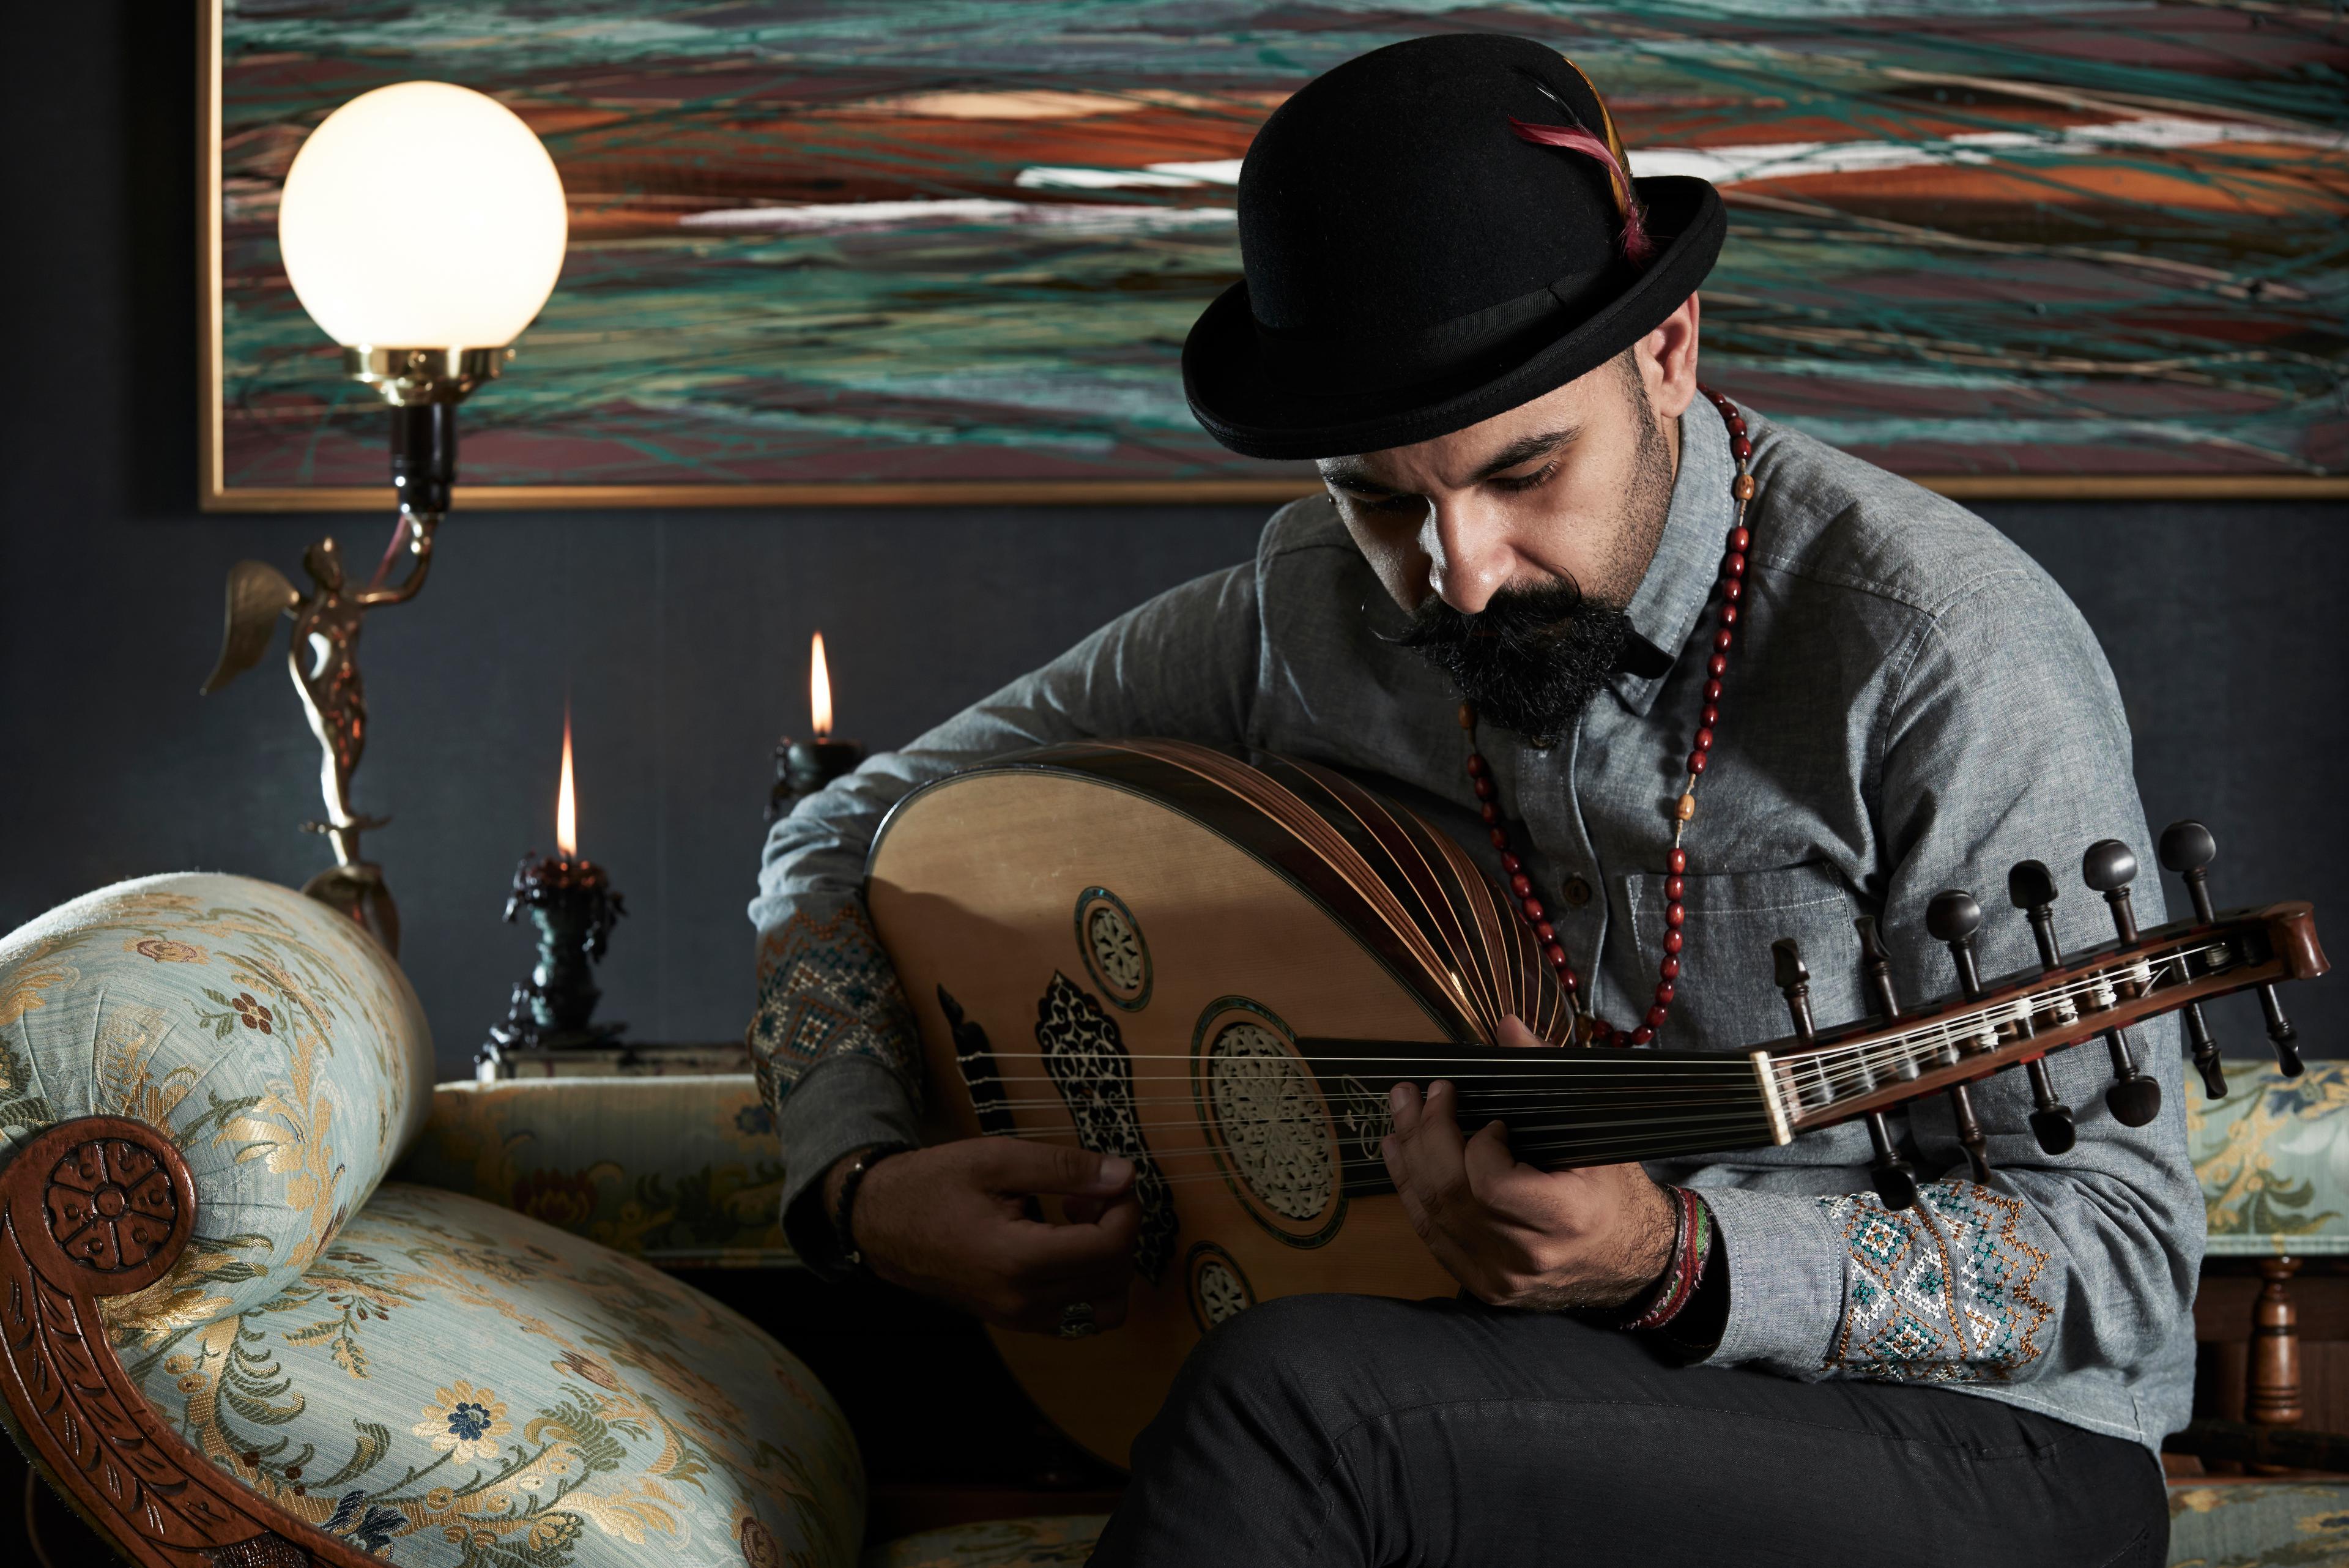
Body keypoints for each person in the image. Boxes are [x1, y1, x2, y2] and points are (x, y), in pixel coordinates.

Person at [748, 33, 2191, 1567]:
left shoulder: (1933, 649)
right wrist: (860, 1182)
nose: (1461, 571)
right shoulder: (1306, 606)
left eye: (1525, 470)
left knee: (1294, 1411)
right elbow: (838, 829)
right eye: (1381, 499)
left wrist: (1686, 1261)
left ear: (1670, 351)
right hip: (1505, 1396)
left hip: (1991, 1445)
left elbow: (2124, 1249)